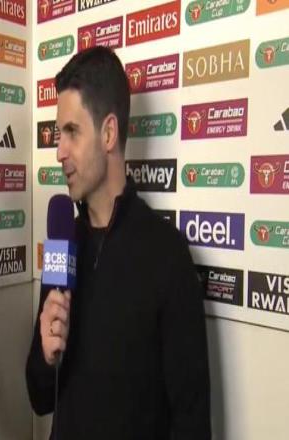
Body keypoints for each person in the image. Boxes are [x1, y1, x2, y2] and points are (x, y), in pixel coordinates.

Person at [26, 46, 211, 439]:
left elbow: (192, 421)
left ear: (108, 133)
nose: (59, 152)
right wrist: (45, 353)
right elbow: (39, 397)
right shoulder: (64, 243)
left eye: (72, 132)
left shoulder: (166, 255)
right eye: (59, 134)